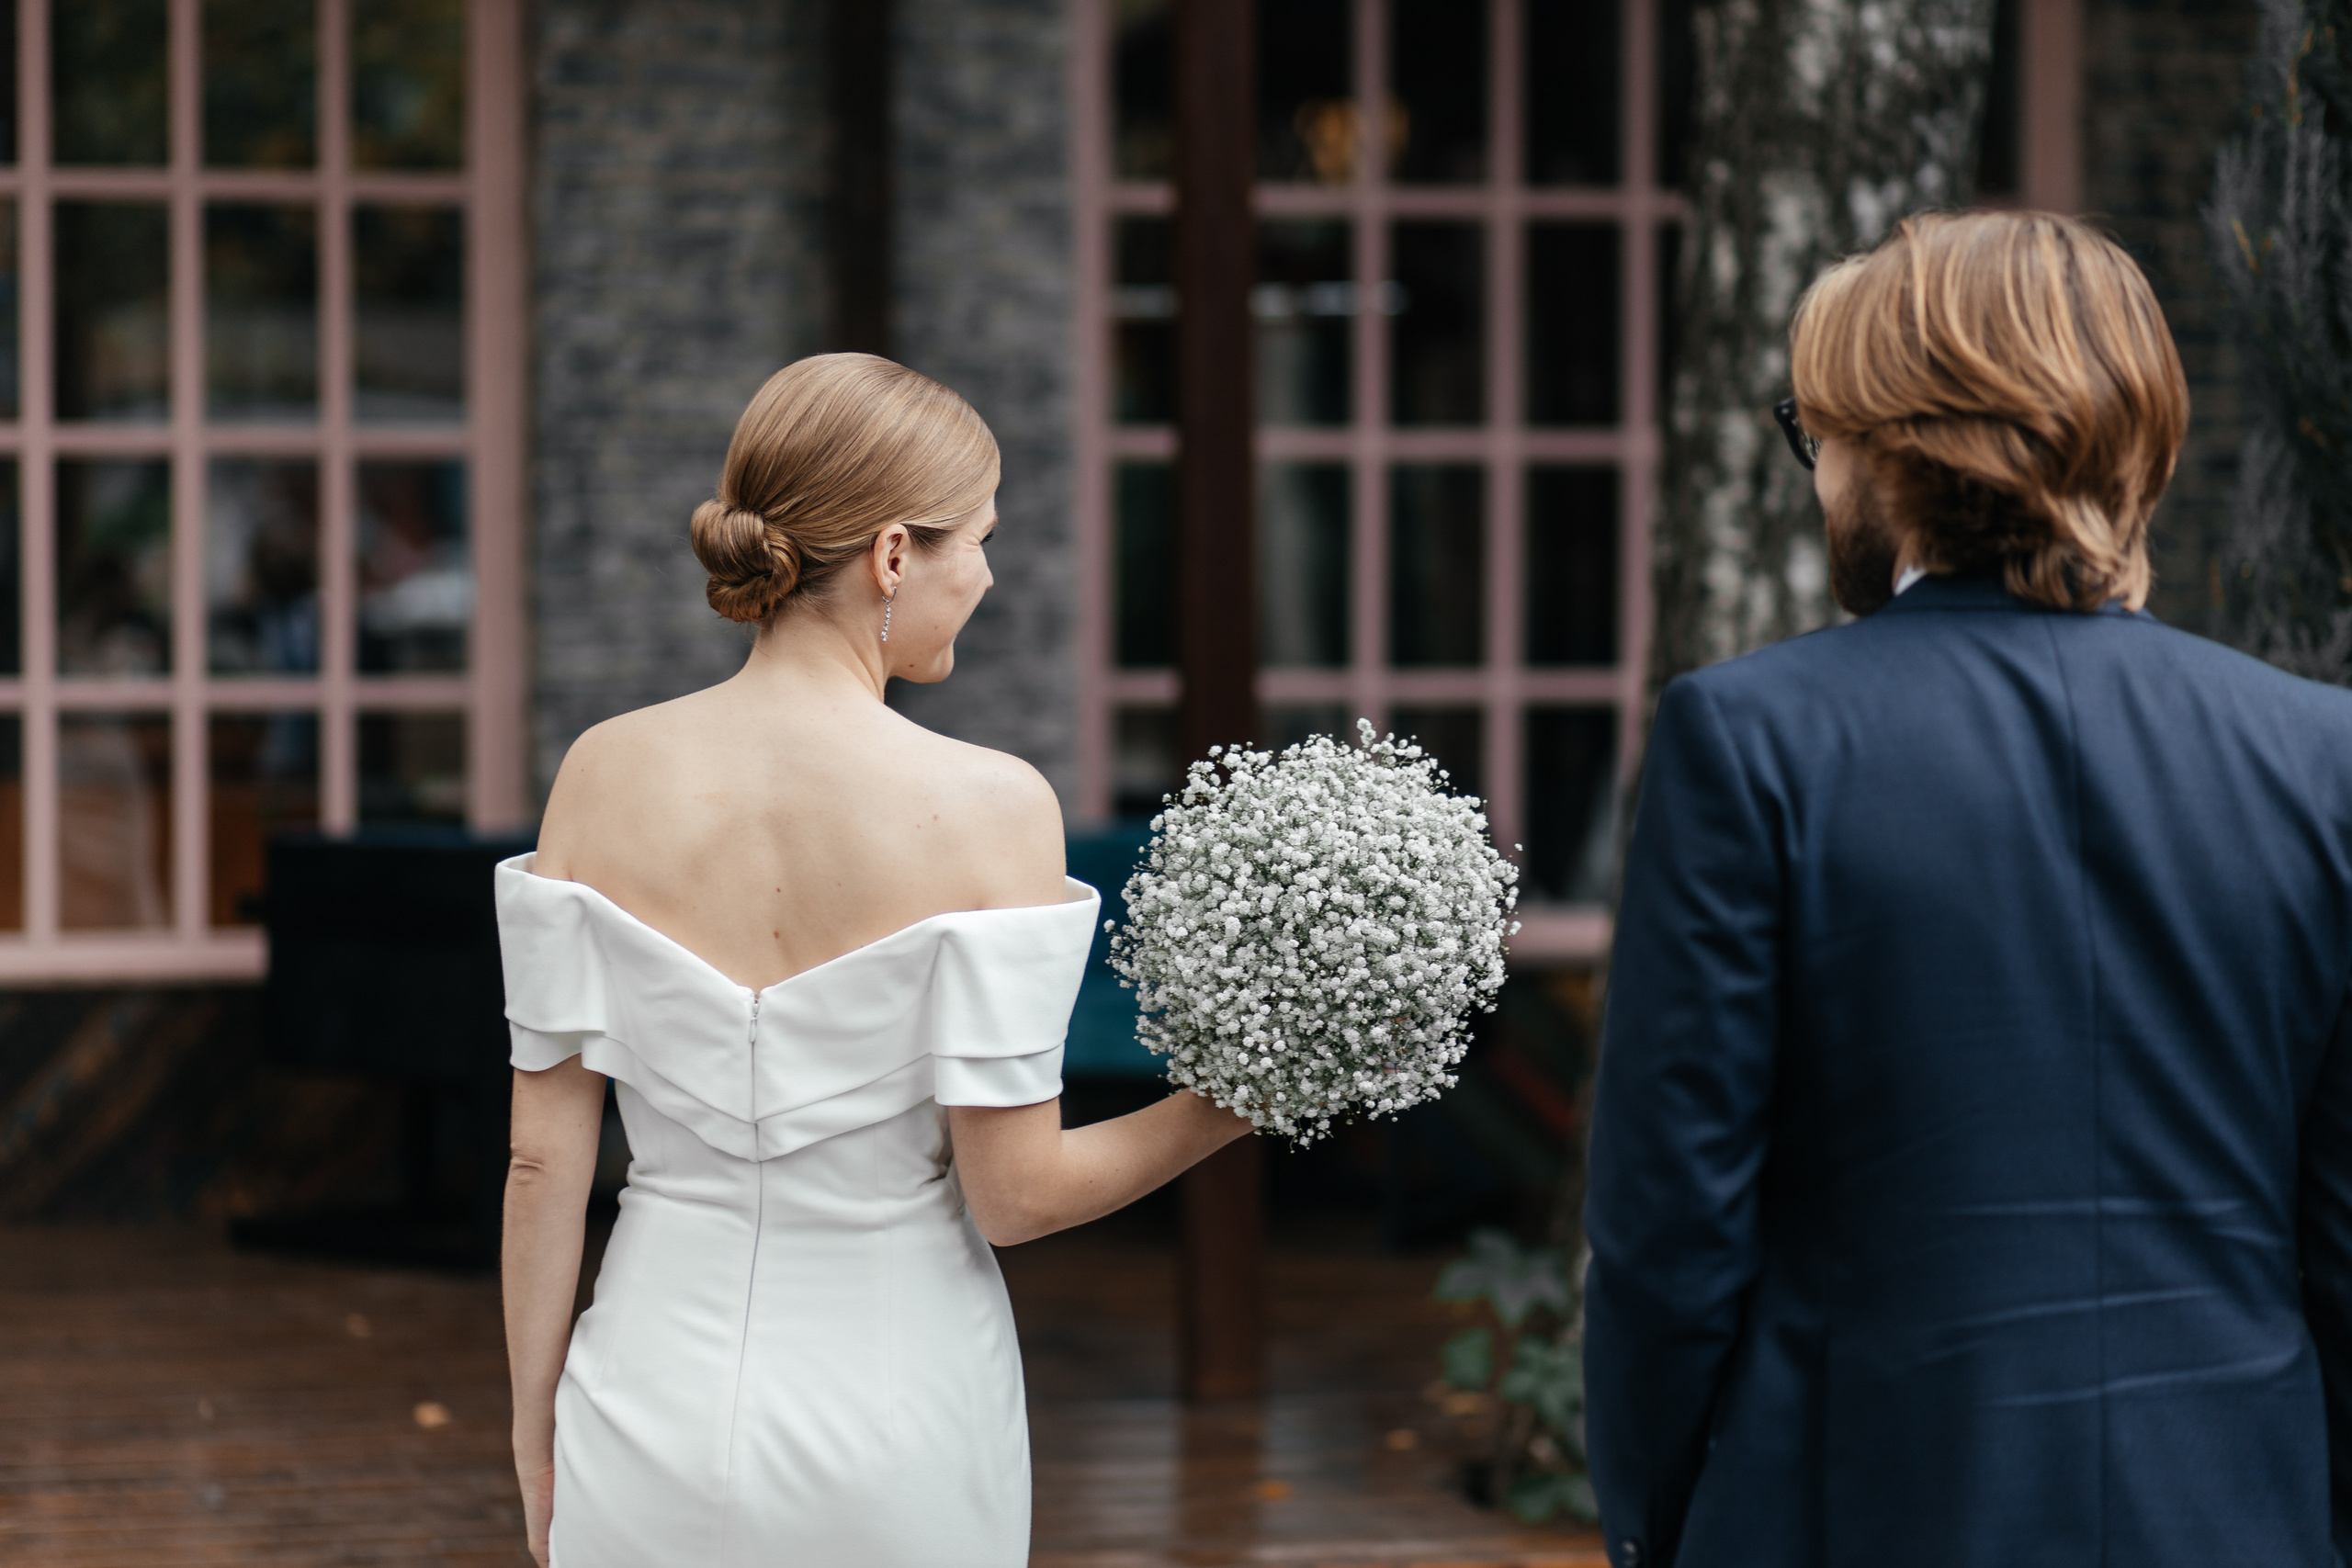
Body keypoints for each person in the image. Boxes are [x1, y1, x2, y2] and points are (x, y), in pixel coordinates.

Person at [1583, 210, 2352, 1568]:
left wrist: (1655, 1525)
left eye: (1812, 431)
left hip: (1855, 1501)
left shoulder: (1752, 739)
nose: (1817, 474)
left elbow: (1671, 1230)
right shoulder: (2320, 755)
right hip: (2236, 1503)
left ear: (1889, 443)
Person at [497, 354, 1252, 1568]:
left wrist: (536, 1435)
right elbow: (1018, 1197)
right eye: (981, 542)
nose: (993, 576)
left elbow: (543, 1161)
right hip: (899, 1420)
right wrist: (1239, 1104)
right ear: (894, 556)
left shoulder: (599, 772)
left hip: (646, 1398)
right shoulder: (993, 807)